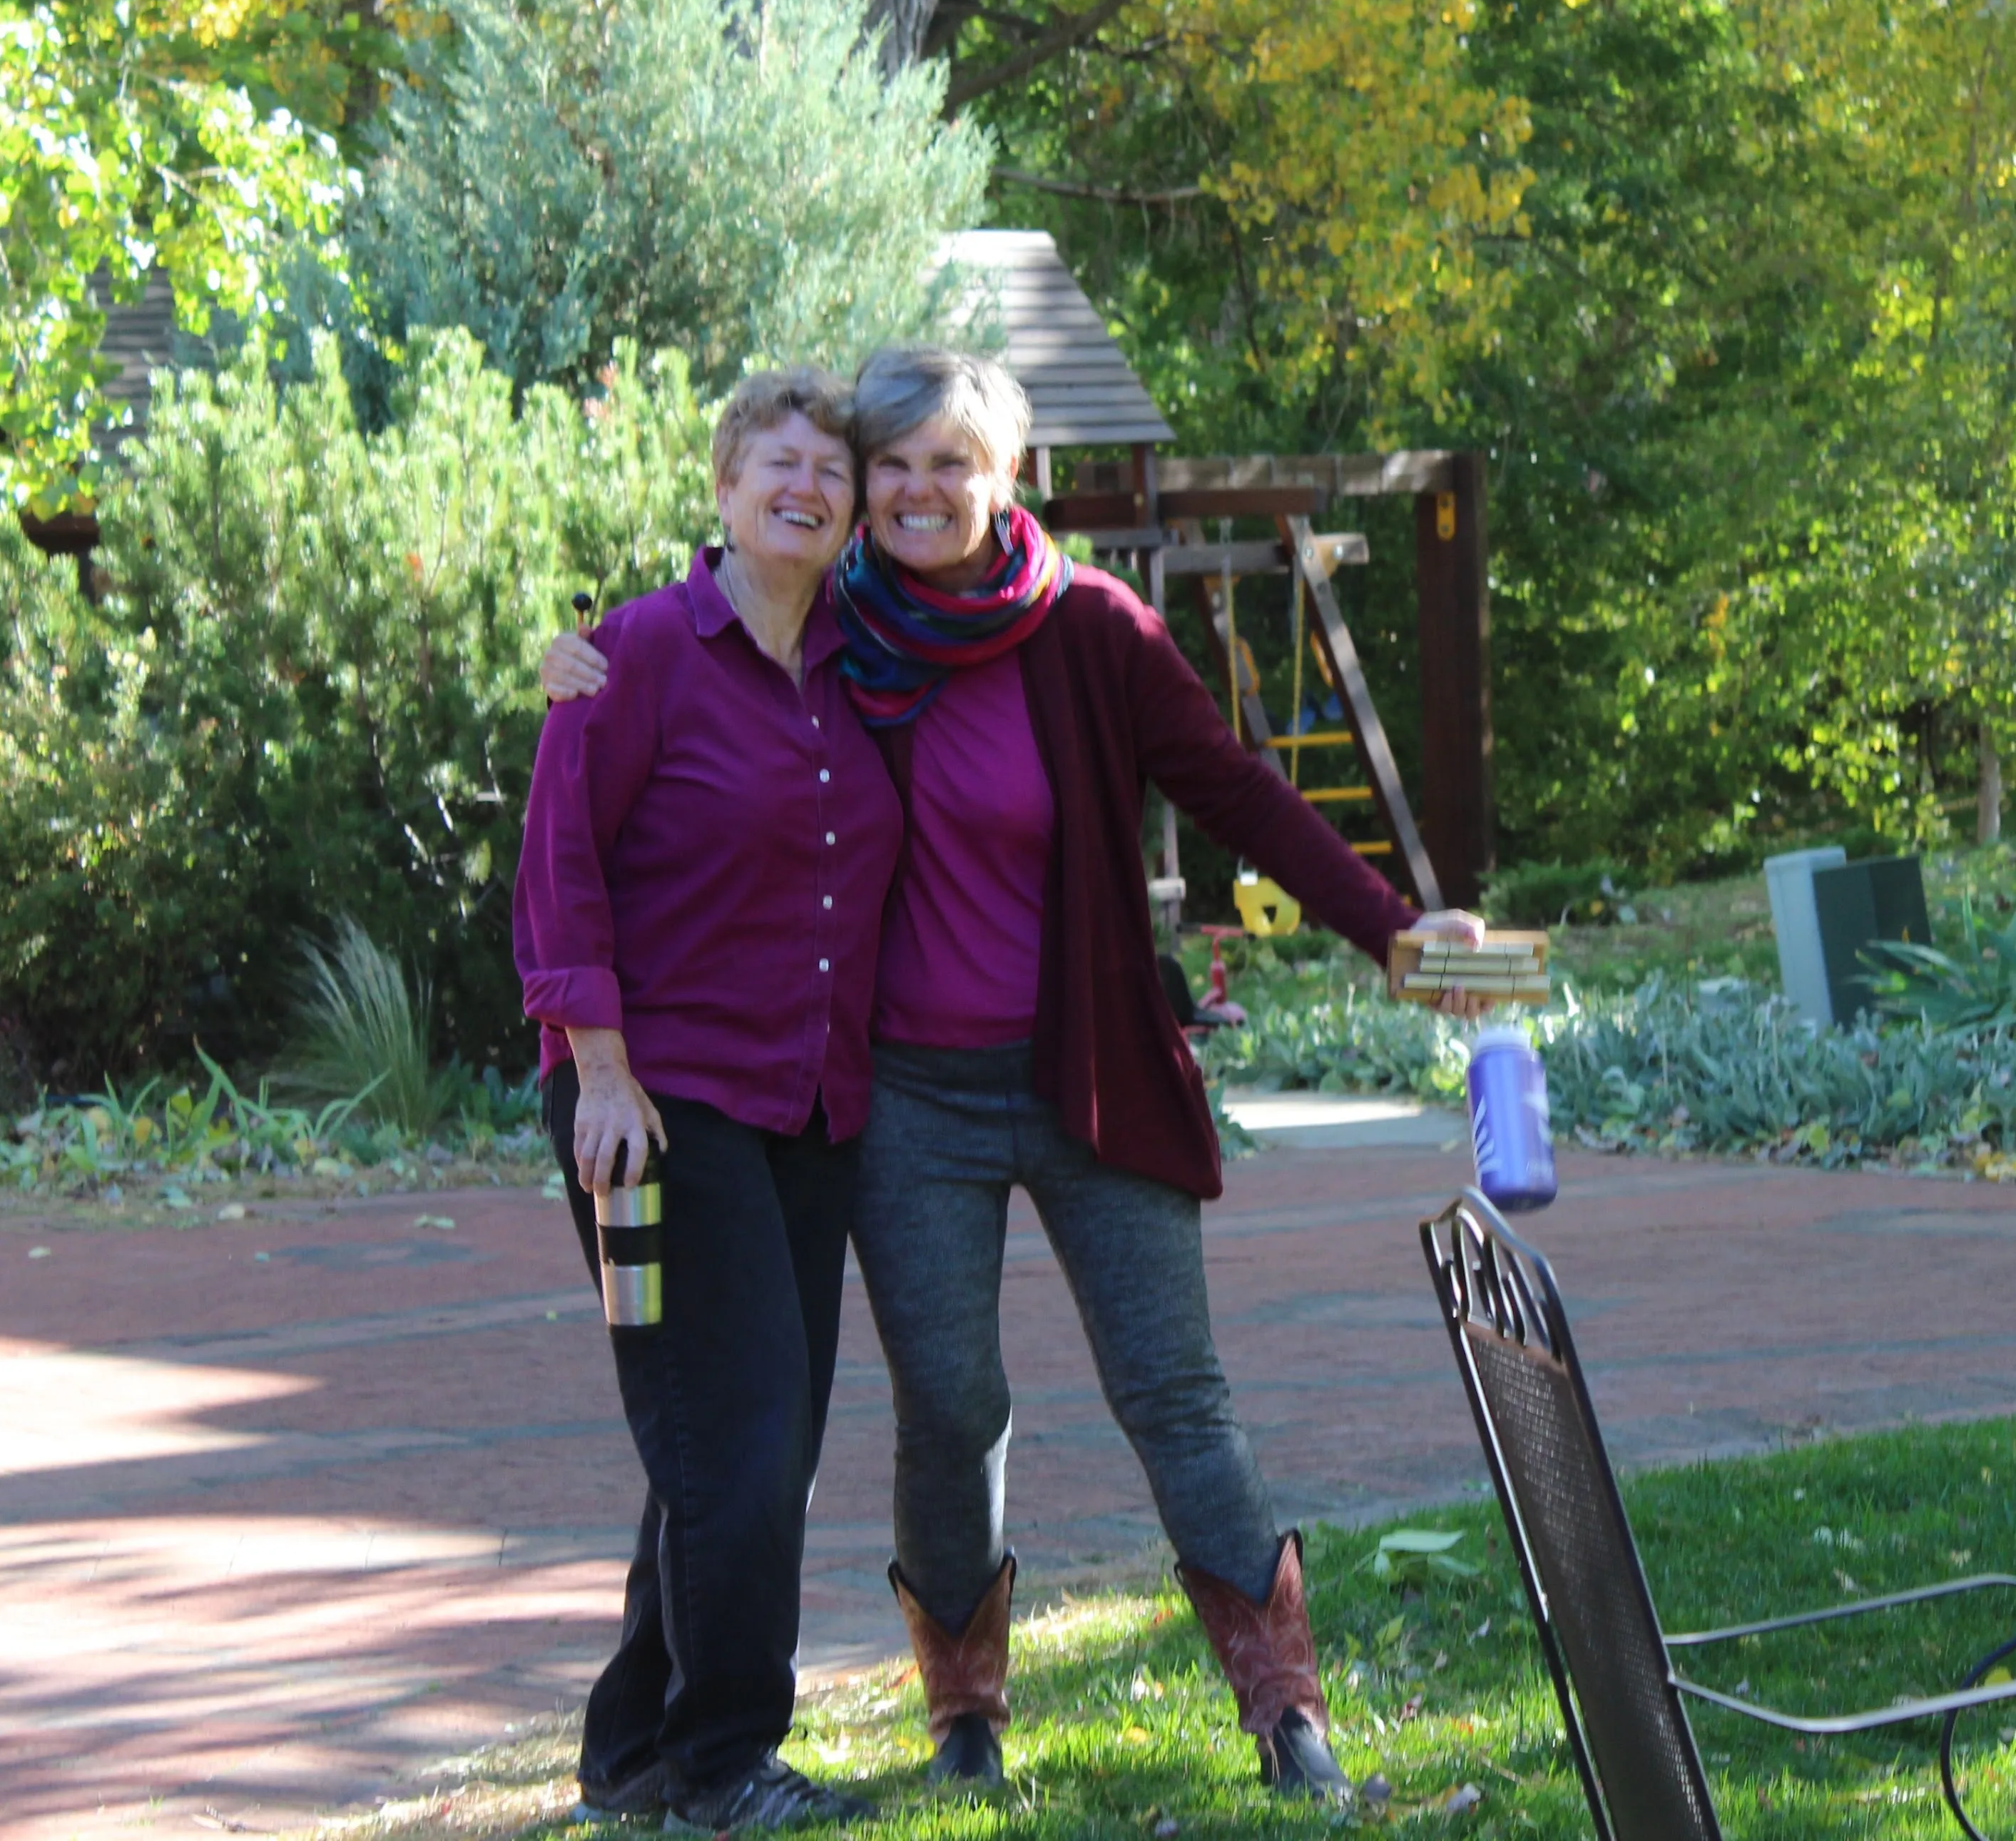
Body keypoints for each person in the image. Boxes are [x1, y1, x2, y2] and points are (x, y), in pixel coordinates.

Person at [540, 345, 1479, 1800]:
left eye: (947, 463)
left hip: (1088, 1074)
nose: (917, 492)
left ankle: (1284, 1707)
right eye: (892, 464)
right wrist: (572, 655)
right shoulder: (833, 627)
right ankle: (960, 1715)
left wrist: (1395, 931)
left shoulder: (1087, 631)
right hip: (901, 1103)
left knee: (1175, 1393)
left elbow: (1231, 786)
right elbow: (699, 628)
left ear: (1008, 476)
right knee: (943, 1405)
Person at [514, 366, 900, 1833]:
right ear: (725, 490)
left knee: (750, 1442)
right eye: (777, 462)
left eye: (831, 472)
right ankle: (728, 1764)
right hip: (653, 1110)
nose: (806, 486)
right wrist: (596, 1069)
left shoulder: (863, 664)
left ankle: (634, 1751)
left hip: (804, 1105)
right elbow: (559, 869)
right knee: (731, 1441)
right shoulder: (634, 656)